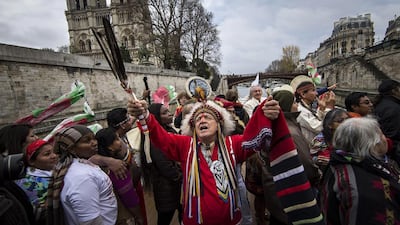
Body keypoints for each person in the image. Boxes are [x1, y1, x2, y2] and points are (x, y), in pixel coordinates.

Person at [127, 97, 281, 225]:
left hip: (232, 221)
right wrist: (144, 114)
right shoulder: (185, 146)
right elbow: (159, 135)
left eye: (207, 117)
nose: (201, 120)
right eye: (197, 119)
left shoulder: (233, 144)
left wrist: (267, 115)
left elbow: (256, 137)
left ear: (219, 123)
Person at [320, 117, 400, 224]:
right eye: (381, 135)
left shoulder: (339, 162)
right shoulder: (366, 188)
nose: (385, 139)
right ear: (372, 144)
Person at [47, 125, 118, 225]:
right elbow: (91, 221)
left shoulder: (80, 166)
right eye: (87, 141)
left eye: (94, 138)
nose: (94, 143)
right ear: (71, 148)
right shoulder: (82, 178)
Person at [107, 107, 148, 225]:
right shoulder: (115, 144)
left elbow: (134, 118)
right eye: (129, 119)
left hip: (135, 186)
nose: (132, 120)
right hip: (127, 191)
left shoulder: (121, 134)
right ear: (123, 125)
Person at [95, 127, 144, 225]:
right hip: (124, 216)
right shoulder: (118, 168)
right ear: (110, 147)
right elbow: (129, 198)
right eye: (117, 139)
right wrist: (139, 216)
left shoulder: (98, 165)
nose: (120, 142)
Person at [146, 103, 183, 225]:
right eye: (165, 113)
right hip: (166, 186)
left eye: (168, 111)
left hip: (175, 184)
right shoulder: (154, 137)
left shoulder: (168, 130)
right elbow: (163, 164)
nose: (170, 114)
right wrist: (178, 176)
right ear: (156, 118)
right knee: (165, 217)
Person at [15, 139, 58, 224]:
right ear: (32, 161)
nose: (54, 156)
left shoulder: (55, 172)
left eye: (54, 152)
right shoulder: (27, 183)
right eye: (47, 154)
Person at [290, 75, 335, 142]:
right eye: (313, 90)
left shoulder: (306, 107)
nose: (316, 93)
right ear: (303, 94)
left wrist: (321, 109)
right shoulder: (300, 110)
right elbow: (318, 128)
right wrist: (329, 108)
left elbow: (315, 120)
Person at [374, 79, 400, 164]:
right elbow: (394, 136)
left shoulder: (380, 104)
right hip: (393, 153)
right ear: (394, 91)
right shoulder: (394, 108)